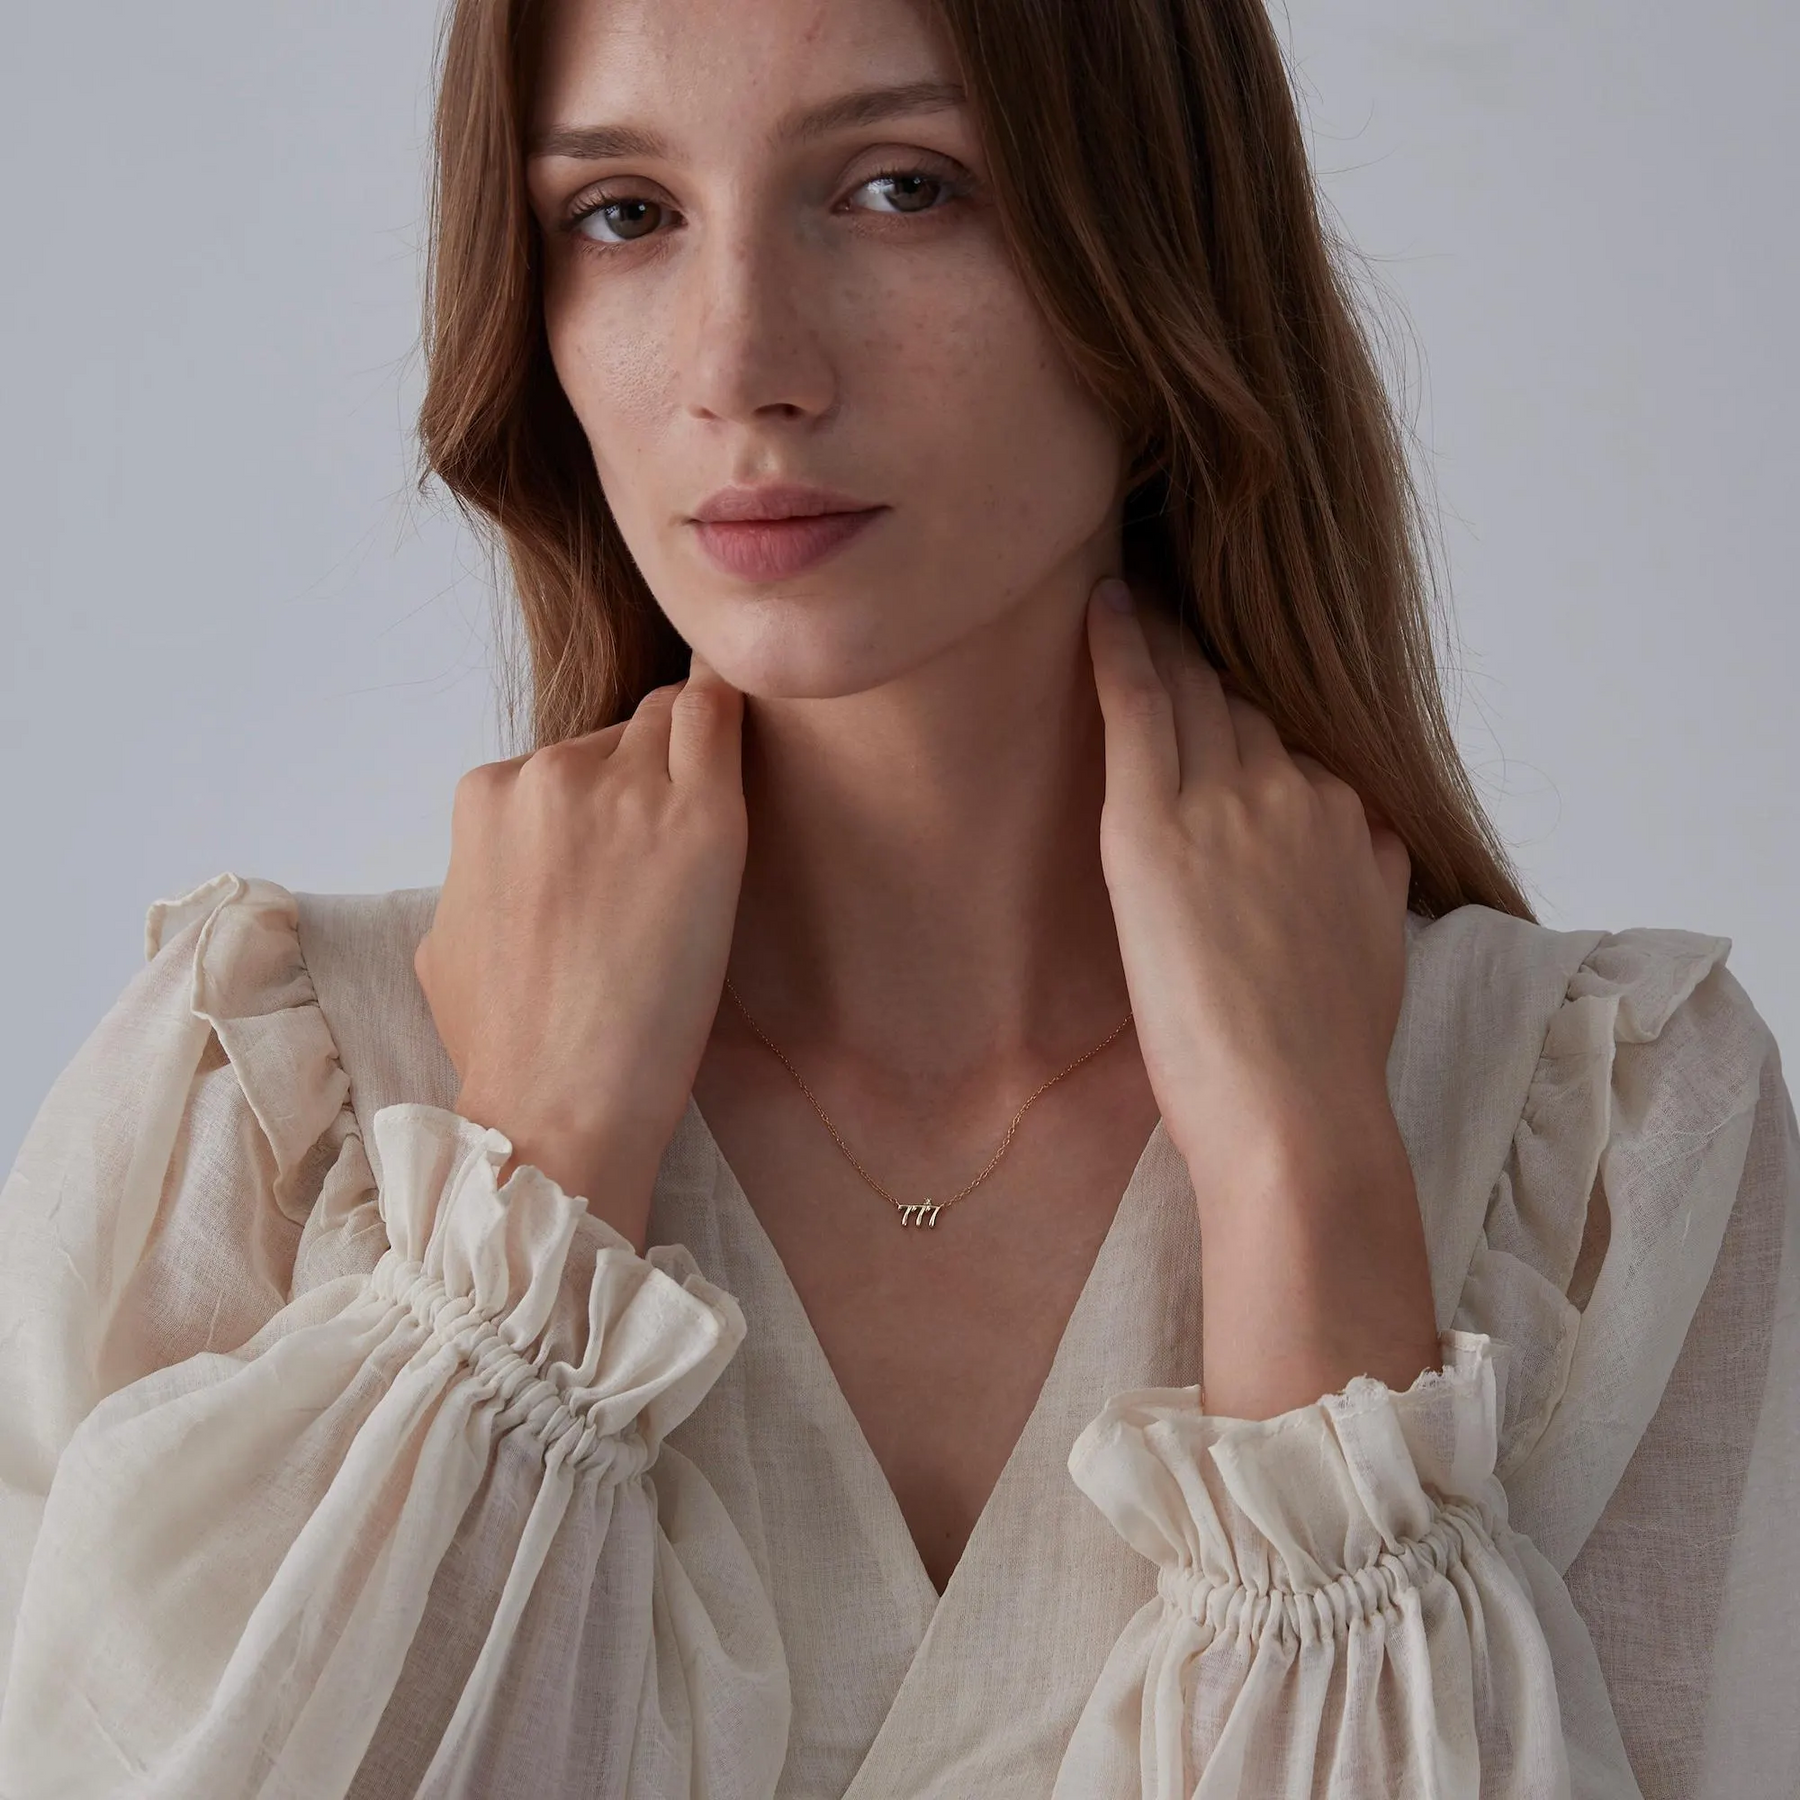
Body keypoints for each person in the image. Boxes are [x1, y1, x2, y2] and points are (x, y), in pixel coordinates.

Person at [0, 0, 1793, 1792]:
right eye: (624, 213)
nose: (742, 366)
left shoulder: (1610, 1150)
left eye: (902, 187)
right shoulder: (263, 1112)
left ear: (1162, 242)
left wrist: (1306, 1185)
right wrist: (527, 1198)